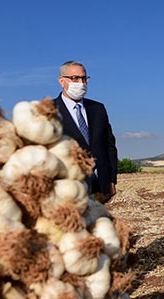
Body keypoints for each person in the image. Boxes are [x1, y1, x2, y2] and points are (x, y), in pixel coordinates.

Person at [54, 61, 118, 202]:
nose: (81, 83)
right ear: (61, 81)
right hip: (68, 187)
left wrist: (111, 178)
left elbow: (109, 145)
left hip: (99, 186)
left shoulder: (98, 108)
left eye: (84, 78)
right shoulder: (50, 111)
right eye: (74, 78)